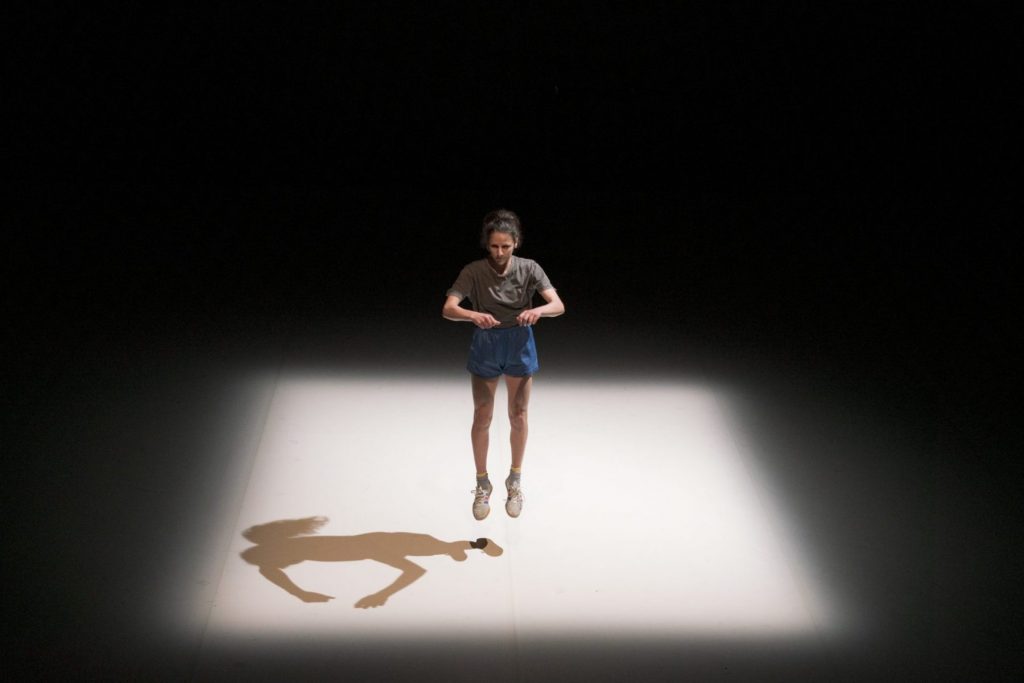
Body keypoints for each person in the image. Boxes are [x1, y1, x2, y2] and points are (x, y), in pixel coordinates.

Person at [442, 209, 565, 520]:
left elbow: (557, 305)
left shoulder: (529, 268)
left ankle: (515, 480)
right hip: (486, 342)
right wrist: (473, 314)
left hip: (519, 341)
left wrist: (538, 311)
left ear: (516, 243)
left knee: (518, 414)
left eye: (505, 246)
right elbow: (449, 308)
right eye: (494, 246)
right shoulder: (474, 271)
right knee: (482, 415)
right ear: (487, 244)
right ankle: (482, 483)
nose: (499, 253)